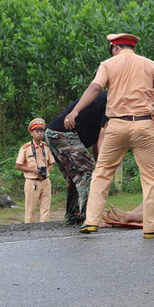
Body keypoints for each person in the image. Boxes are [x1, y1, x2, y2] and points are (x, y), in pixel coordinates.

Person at [64, 33, 154, 238]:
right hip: (144, 125)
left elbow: (94, 88)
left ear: (115, 47)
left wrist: (75, 111)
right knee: (152, 177)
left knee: (102, 172)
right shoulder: (149, 64)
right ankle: (152, 227)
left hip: (116, 126)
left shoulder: (108, 65)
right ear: (132, 47)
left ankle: (91, 221)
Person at [45, 91, 108, 224]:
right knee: (87, 174)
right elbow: (103, 134)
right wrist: (103, 166)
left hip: (53, 133)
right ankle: (90, 218)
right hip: (64, 134)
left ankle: (73, 216)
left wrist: (98, 163)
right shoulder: (113, 100)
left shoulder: (104, 97)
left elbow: (97, 140)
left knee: (75, 177)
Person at [15, 118, 55, 223]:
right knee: (30, 210)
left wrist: (47, 170)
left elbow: (51, 162)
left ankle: (44, 228)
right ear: (31, 133)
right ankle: (29, 231)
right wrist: (32, 170)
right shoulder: (25, 148)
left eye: (41, 131)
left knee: (45, 208)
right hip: (32, 181)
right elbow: (18, 165)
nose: (39, 134)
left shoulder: (46, 147)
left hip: (45, 180)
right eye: (37, 132)